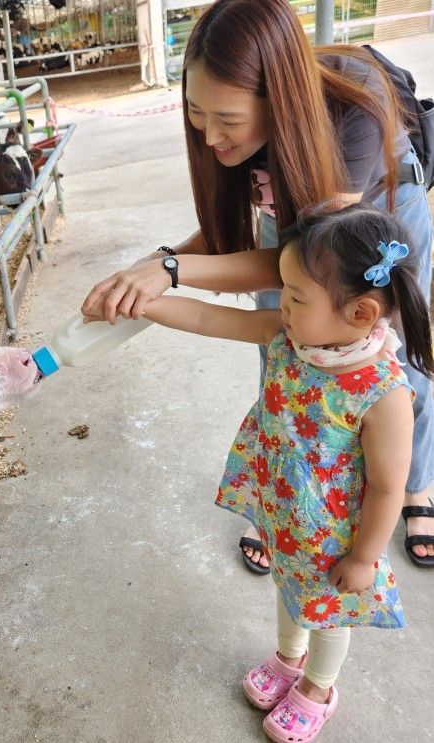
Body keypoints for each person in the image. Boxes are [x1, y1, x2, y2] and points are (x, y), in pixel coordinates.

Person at [81, 0, 434, 571]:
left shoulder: (352, 113)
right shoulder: (235, 134)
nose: (211, 136)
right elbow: (234, 241)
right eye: (197, 113)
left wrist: (171, 272)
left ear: (279, 100)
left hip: (372, 220)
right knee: (286, 350)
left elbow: (310, 265)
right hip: (302, 217)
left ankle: (412, 484)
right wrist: (159, 261)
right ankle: (285, 500)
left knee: (392, 365)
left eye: (229, 120)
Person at [85, 203, 433, 741]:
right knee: (288, 587)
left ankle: (319, 685)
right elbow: (209, 319)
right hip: (284, 505)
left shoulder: (382, 391)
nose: (281, 305)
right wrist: (148, 305)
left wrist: (364, 557)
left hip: (334, 533)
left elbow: (388, 485)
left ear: (362, 313)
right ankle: (288, 658)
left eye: (295, 297)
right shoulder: (294, 336)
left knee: (328, 609)